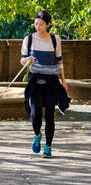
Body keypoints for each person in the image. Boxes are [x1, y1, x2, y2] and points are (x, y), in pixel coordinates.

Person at [21, 11, 70, 158]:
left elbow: (60, 62)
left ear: (48, 24)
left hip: (51, 83)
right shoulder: (29, 39)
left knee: (49, 114)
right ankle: (37, 135)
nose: (38, 27)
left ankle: (48, 147)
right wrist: (28, 60)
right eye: (36, 24)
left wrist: (64, 82)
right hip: (35, 82)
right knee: (35, 114)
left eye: (41, 24)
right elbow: (22, 60)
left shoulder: (55, 40)